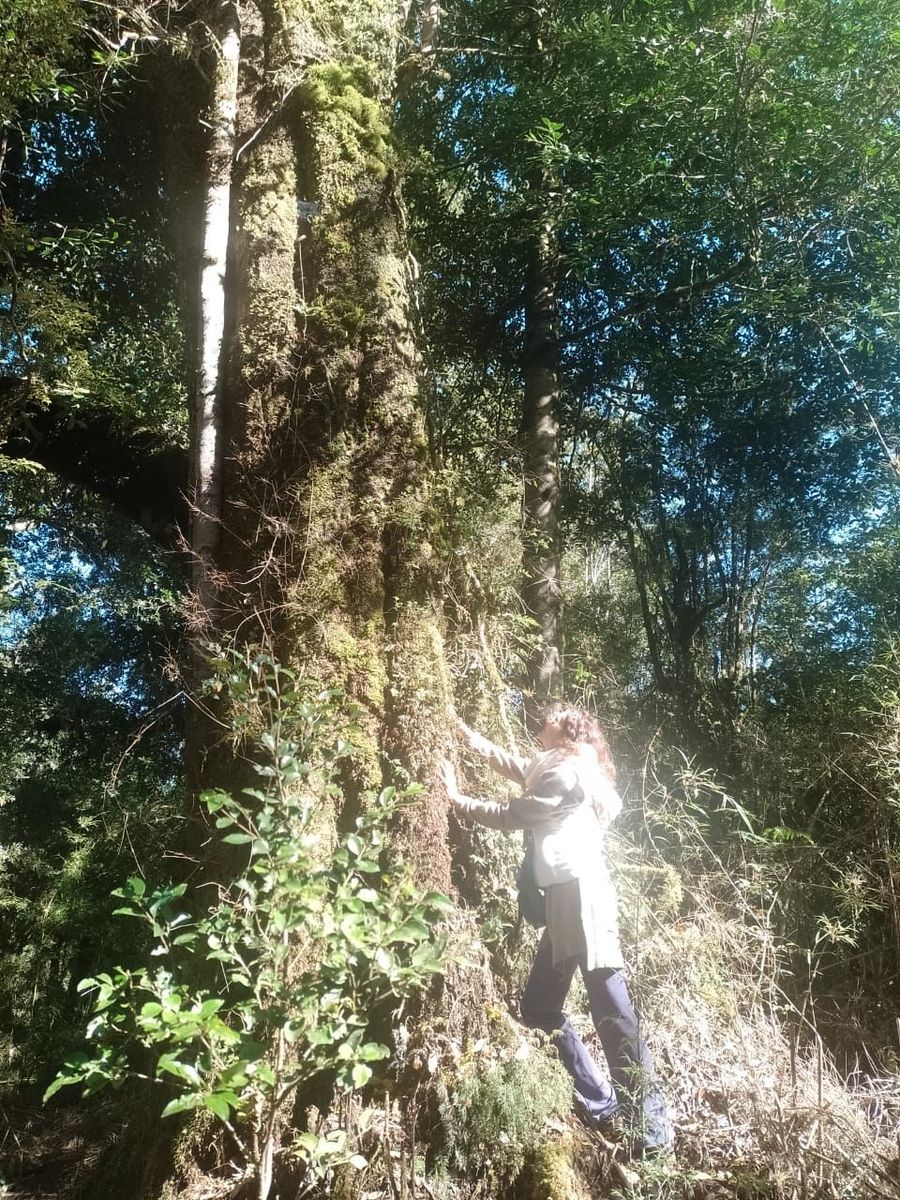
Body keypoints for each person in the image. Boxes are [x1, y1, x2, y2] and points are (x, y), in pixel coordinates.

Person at [440, 706, 672, 1158]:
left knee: (611, 1009)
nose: (546, 715)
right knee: (539, 1007)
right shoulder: (554, 765)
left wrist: (456, 798)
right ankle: (604, 1101)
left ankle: (652, 1130)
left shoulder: (567, 774)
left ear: (569, 733)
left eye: (557, 715)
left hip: (582, 899)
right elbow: (516, 766)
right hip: (566, 900)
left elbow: (514, 813)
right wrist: (468, 736)